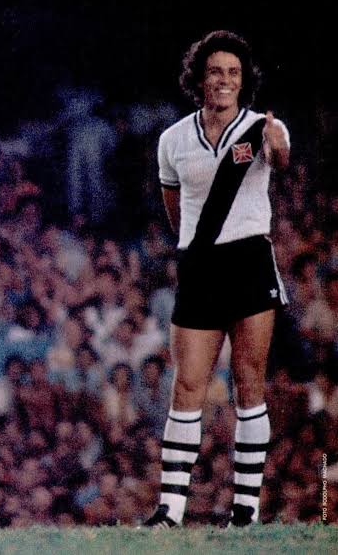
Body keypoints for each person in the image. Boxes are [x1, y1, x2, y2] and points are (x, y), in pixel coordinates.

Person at [144, 30, 290, 529]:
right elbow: (174, 208)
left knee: (249, 383)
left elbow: (281, 159)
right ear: (199, 79)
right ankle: (170, 511)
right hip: (200, 268)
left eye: (233, 72)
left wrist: (277, 148)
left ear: (243, 80)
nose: (224, 80)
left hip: (250, 264)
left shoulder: (263, 128)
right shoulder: (173, 140)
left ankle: (245, 512)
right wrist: (195, 250)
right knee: (187, 385)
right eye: (215, 71)